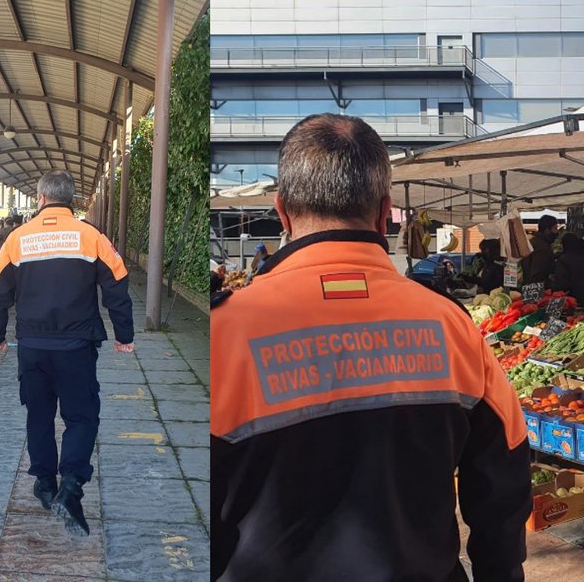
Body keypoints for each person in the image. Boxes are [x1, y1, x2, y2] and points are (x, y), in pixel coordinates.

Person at [212, 114, 530, 582]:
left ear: (281, 212)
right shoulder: (452, 327)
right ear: (385, 213)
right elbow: (504, 473)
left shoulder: (226, 333)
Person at [0, 170, 134, 538]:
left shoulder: (17, 239)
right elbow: (117, 285)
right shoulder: (92, 237)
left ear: (40, 199)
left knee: (38, 415)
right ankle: (71, 483)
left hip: (33, 348)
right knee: (81, 417)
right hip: (76, 347)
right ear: (73, 200)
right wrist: (124, 335)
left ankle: (45, 484)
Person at [521, 213, 560, 288]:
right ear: (547, 230)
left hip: (527, 286)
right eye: (555, 228)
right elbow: (537, 274)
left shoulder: (533, 241)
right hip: (536, 290)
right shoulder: (542, 247)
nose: (557, 232)